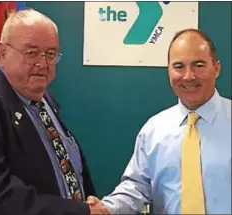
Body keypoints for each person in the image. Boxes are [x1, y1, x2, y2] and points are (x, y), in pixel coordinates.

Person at [87, 28, 231, 214]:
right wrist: (106, 209)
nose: (189, 76)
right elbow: (137, 188)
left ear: (216, 68)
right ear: (169, 70)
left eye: (199, 65)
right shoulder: (154, 130)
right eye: (179, 66)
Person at [0, 8, 110, 215]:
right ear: (2, 52)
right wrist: (78, 211)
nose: (42, 64)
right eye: (31, 52)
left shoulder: (43, 99)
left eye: (50, 54)